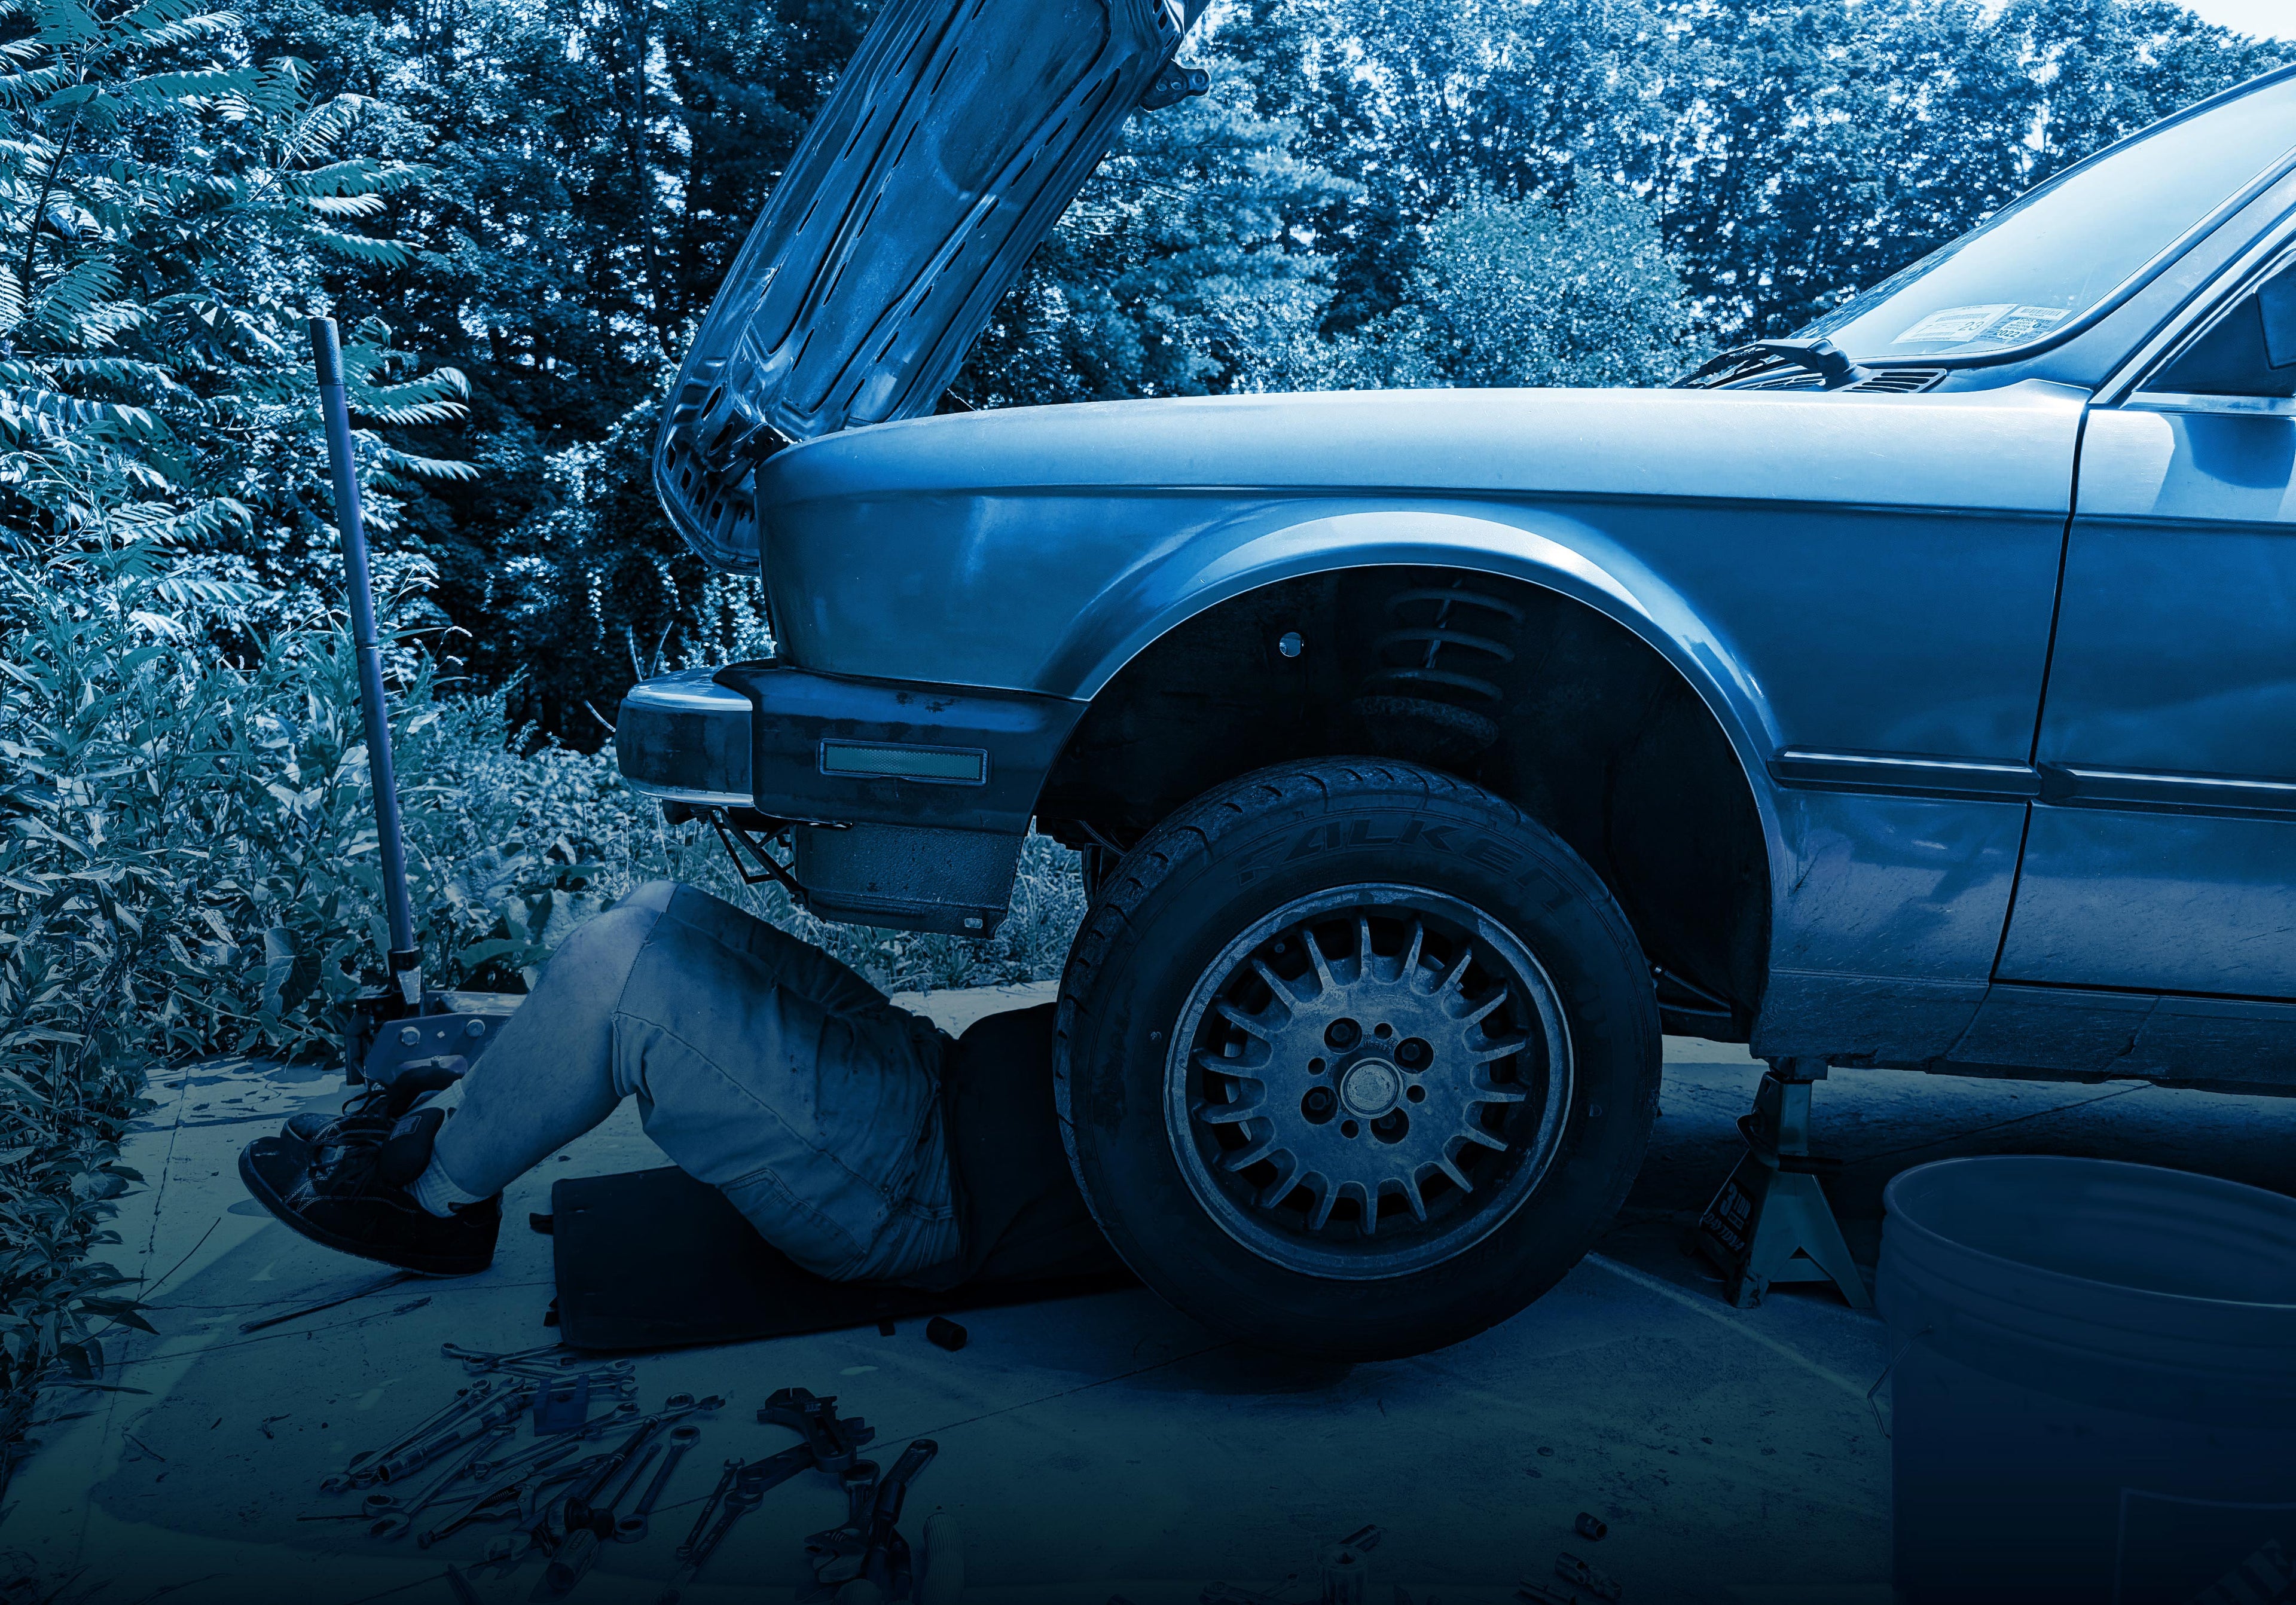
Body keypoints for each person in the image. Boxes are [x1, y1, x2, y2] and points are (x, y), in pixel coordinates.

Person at [238, 882, 1113, 1289]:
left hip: (924, 1179)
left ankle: (431, 1199)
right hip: (942, 1068)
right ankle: (457, 1119)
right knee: (658, 907)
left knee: (616, 972)